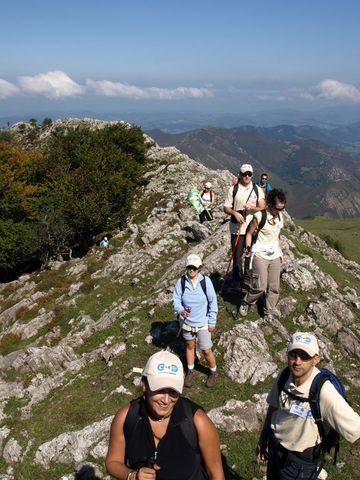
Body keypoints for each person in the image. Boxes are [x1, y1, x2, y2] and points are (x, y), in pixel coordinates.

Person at [106, 350, 225, 480]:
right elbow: (113, 462)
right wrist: (132, 476)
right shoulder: (127, 417)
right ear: (144, 385)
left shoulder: (198, 421)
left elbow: (216, 474)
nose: (166, 400)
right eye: (160, 390)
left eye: (173, 391)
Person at [256, 332, 360, 480]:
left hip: (299, 466)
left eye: (304, 356)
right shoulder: (284, 375)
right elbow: (273, 406)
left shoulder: (324, 391)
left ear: (315, 359)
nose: (297, 362)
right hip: (274, 450)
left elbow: (356, 428)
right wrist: (263, 437)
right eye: (293, 354)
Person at [239, 189, 286, 318]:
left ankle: (268, 311)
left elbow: (277, 235)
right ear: (270, 204)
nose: (280, 211)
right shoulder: (259, 216)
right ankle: (246, 301)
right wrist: (248, 248)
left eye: (282, 208)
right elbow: (249, 233)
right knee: (260, 286)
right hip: (260, 253)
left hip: (274, 254)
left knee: (274, 287)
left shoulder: (280, 217)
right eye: (278, 208)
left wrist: (280, 251)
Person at [173, 254, 218, 388]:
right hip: (187, 322)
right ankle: (190, 370)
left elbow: (213, 301)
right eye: (189, 267)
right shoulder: (181, 282)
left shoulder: (206, 282)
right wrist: (181, 310)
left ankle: (213, 372)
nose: (191, 270)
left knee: (206, 350)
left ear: (199, 268)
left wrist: (212, 321)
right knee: (189, 346)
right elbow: (176, 299)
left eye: (194, 267)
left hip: (203, 323)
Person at [223, 164, 265, 288]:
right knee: (237, 255)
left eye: (249, 174)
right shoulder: (233, 189)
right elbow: (226, 207)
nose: (247, 176)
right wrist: (234, 212)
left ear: (252, 175)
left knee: (250, 253)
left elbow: (262, 207)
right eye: (244, 174)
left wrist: (251, 207)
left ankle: (247, 279)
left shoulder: (257, 190)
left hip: (252, 228)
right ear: (240, 174)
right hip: (237, 228)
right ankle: (237, 279)